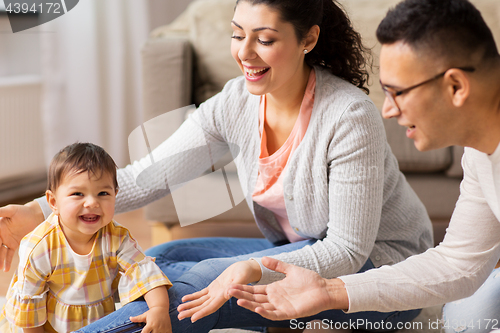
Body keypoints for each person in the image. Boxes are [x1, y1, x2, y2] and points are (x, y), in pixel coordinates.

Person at [0, 0, 434, 331]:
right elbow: (149, 175)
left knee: (202, 282)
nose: (245, 52)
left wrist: (249, 270)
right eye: (236, 34)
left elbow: (346, 251)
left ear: (309, 39)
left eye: (264, 39)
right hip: (299, 252)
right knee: (158, 258)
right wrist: (36, 213)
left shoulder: (349, 116)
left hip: (377, 274)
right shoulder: (236, 101)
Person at [228, 0, 500, 332]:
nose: (387, 110)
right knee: (465, 318)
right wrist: (331, 291)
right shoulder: (479, 152)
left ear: (456, 86)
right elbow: (459, 264)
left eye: (397, 92)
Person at [0, 143, 172, 333]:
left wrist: (159, 309)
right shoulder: (40, 247)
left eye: (103, 193)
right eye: (78, 194)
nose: (92, 202)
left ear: (116, 195)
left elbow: (143, 271)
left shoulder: (116, 237)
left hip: (97, 321)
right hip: (48, 325)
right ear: (53, 202)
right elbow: (29, 307)